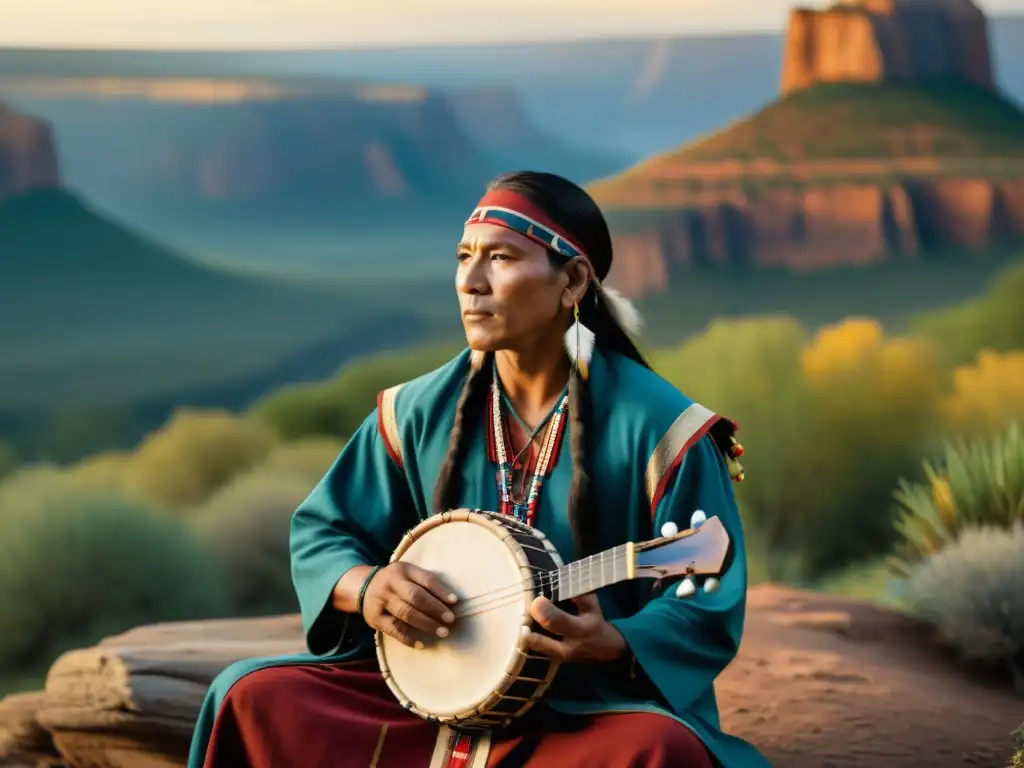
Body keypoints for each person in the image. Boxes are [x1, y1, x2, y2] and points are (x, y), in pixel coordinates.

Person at [187, 171, 771, 768]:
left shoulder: (664, 430)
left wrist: (614, 642)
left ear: (571, 280)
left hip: (581, 710)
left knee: (662, 750)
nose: (470, 281)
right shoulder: (415, 411)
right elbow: (322, 531)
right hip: (430, 696)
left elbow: (704, 598)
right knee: (248, 695)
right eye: (464, 257)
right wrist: (366, 589)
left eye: (500, 258)